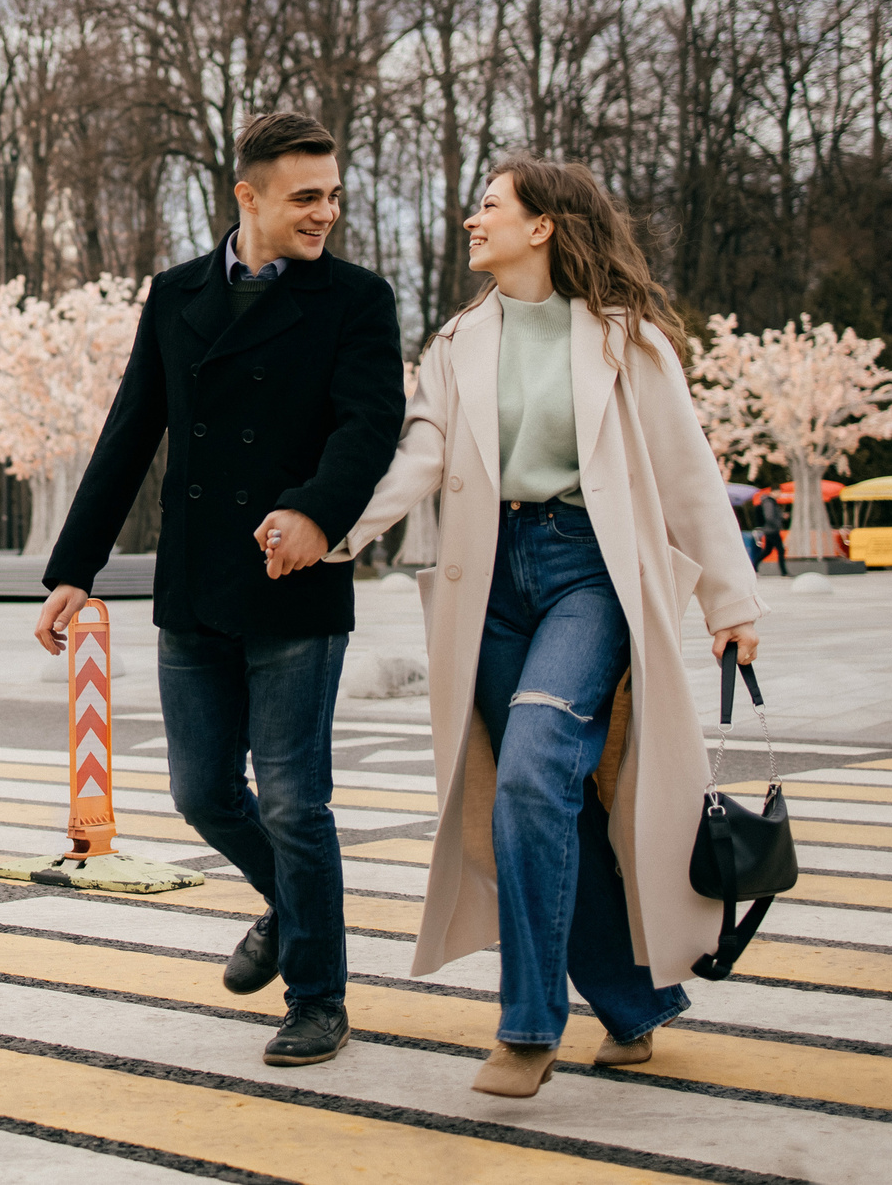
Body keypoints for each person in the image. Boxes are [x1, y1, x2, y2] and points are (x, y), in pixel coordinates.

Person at [329, 156, 766, 1098]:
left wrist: (730, 603)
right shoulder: (456, 344)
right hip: (486, 582)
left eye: (490, 206)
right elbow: (421, 456)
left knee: (530, 770)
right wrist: (339, 531)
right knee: (544, 799)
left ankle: (528, 1024)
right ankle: (635, 1005)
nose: (472, 219)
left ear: (545, 226)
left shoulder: (626, 341)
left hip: (588, 574)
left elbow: (688, 476)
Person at [39, 111, 404, 1069]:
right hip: (197, 583)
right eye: (305, 197)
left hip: (294, 582)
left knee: (293, 802)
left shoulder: (357, 300)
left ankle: (318, 998)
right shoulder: (176, 296)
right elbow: (130, 434)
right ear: (247, 197)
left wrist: (317, 512)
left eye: (332, 195)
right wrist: (75, 569)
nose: (326, 212)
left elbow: (368, 428)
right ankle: (293, 914)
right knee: (201, 792)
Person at [754, 488, 786, 571]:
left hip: (770, 529)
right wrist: (777, 525)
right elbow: (769, 516)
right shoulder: (769, 502)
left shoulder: (770, 502)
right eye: (779, 492)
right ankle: (784, 572)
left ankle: (754, 566)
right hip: (771, 530)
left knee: (767, 551)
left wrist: (781, 516)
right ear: (773, 492)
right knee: (781, 550)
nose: (780, 495)